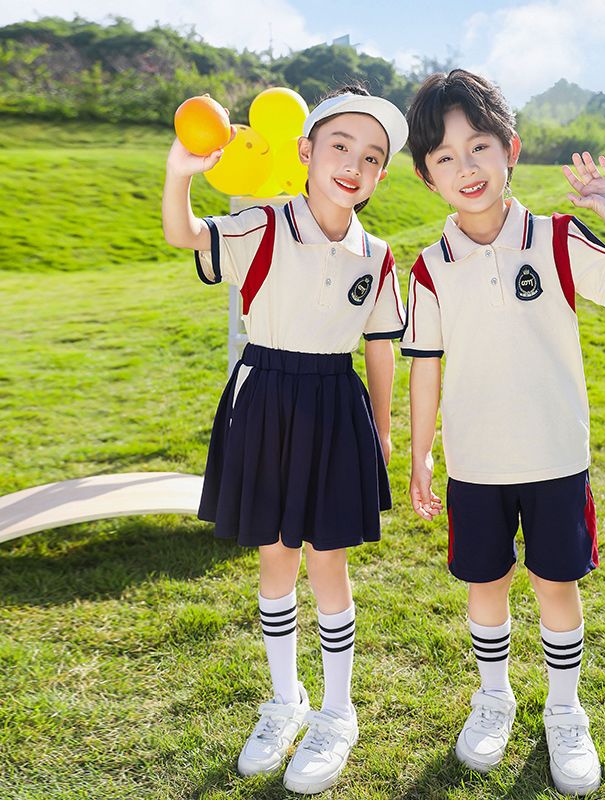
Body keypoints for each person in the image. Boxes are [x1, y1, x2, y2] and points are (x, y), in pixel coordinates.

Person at [402, 69, 605, 796]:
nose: (466, 167)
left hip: (553, 455)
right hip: (475, 461)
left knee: (555, 583)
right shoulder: (429, 269)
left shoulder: (556, 237)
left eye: (479, 146)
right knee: (486, 583)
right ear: (426, 177)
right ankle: (494, 697)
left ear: (510, 149)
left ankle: (566, 711)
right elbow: (425, 366)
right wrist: (420, 452)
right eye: (446, 157)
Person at [161, 86, 408, 795]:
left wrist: (384, 432)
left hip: (335, 403)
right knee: (276, 558)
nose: (353, 164)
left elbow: (383, 349)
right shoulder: (263, 224)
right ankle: (284, 701)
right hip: (265, 395)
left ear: (381, 175)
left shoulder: (377, 254)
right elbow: (186, 236)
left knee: (328, 562)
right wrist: (182, 171)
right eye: (339, 147)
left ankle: (336, 712)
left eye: (371, 156)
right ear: (305, 152)